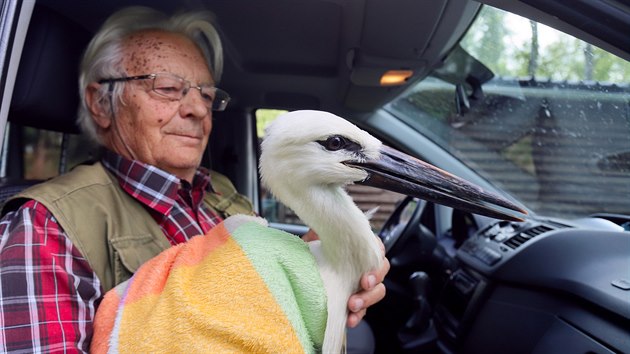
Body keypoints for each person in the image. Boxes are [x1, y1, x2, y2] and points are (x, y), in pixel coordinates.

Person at [0, 6, 389, 353]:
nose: (196, 110)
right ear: (101, 103)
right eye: (168, 88)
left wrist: (325, 266)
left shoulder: (222, 194)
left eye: (206, 95)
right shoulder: (43, 228)